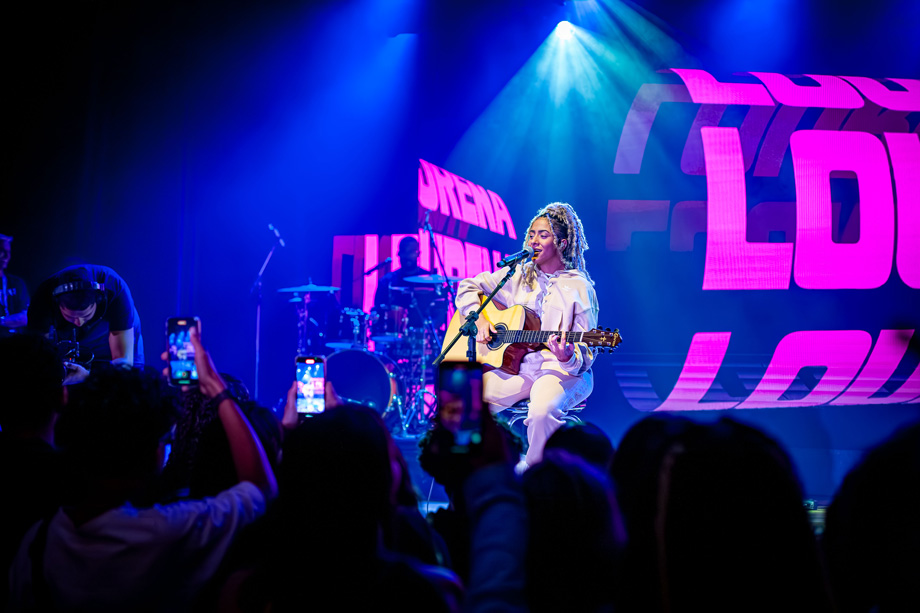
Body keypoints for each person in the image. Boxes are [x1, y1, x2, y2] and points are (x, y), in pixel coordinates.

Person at [8, 325, 277, 612]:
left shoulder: (36, 544)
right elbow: (260, 489)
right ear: (153, 454)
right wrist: (215, 387)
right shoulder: (167, 531)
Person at [455, 202, 598, 470]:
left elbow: (586, 352)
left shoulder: (579, 287)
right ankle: (474, 476)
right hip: (518, 368)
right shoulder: (519, 275)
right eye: (531, 234)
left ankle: (536, 478)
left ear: (562, 243)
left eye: (543, 235)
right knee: (464, 403)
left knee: (542, 411)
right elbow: (467, 286)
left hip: (563, 372)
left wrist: (567, 356)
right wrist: (481, 318)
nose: (533, 240)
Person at [27, 263, 145, 369]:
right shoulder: (42, 298)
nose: (79, 323)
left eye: (86, 315)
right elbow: (39, 357)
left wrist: (88, 375)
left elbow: (123, 362)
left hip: (114, 337)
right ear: (57, 304)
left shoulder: (115, 287)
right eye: (71, 317)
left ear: (98, 300)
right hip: (75, 344)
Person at [0, 234, 30, 334]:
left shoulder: (17, 283)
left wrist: (2, 321)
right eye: (2, 251)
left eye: (8, 252)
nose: (6, 256)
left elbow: (25, 317)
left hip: (15, 343)